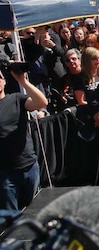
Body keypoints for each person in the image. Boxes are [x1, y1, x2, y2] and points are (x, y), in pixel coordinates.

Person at [0, 65, 48, 210]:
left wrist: (23, 81)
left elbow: (42, 103)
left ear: (4, 81)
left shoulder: (16, 99)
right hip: (4, 172)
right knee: (10, 219)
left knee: (33, 211)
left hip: (29, 166)